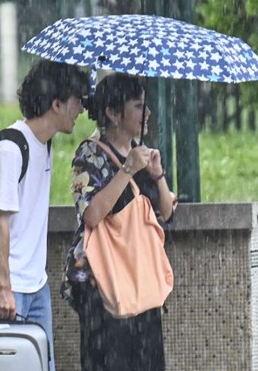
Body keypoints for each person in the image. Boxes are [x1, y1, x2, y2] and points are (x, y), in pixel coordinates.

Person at [0, 59, 90, 371]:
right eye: (77, 102)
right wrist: (4, 289)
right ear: (56, 104)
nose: (82, 110)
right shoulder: (9, 149)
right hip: (0, 286)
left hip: (34, 284)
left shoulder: (43, 144)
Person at [62, 73, 177, 371]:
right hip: (104, 282)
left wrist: (157, 173)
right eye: (138, 106)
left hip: (141, 278)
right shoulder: (89, 155)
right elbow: (91, 214)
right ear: (113, 113)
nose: (147, 113)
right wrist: (127, 170)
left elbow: (166, 212)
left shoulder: (141, 152)